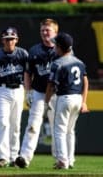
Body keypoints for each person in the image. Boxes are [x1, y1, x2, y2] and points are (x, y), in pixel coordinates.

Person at [15, 18, 59, 168]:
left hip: (57, 93)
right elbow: (28, 73)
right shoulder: (34, 50)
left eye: (48, 30)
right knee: (33, 125)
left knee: (58, 127)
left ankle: (62, 159)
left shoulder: (63, 49)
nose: (45, 33)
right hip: (39, 92)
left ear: (56, 32)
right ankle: (24, 158)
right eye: (42, 30)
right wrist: (28, 92)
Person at [0, 27, 28, 168]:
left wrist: (30, 91)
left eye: (12, 39)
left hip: (19, 89)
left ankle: (14, 156)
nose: (9, 41)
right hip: (2, 89)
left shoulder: (23, 54)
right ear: (3, 40)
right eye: (7, 39)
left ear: (16, 39)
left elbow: (29, 74)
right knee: (3, 122)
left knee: (15, 125)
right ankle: (3, 157)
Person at [45, 32, 89, 169]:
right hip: (78, 98)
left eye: (56, 45)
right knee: (70, 131)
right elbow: (85, 81)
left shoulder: (58, 63)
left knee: (59, 131)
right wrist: (84, 101)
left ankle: (62, 161)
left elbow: (51, 85)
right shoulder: (79, 62)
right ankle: (70, 160)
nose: (54, 48)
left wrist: (46, 102)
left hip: (64, 98)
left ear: (59, 47)